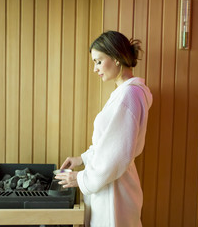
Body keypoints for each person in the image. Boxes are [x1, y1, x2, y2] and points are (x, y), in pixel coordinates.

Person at [55, 31, 153, 227]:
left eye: (99, 61)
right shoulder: (125, 93)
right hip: (114, 183)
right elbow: (110, 143)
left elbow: (115, 155)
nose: (95, 68)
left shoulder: (129, 96)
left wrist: (81, 178)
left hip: (115, 191)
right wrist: (82, 159)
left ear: (116, 58)